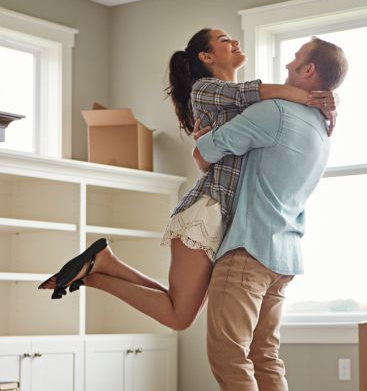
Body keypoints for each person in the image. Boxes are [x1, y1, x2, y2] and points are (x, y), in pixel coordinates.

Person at [38, 29, 336, 333]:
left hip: (220, 218)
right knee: (180, 316)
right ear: (205, 57)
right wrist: (309, 97)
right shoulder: (205, 89)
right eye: (224, 40)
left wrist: (328, 101)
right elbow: (252, 93)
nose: (234, 42)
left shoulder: (250, 108)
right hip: (205, 213)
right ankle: (96, 273)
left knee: (179, 307)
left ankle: (103, 264)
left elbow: (226, 148)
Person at [189, 37, 348, 391]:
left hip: (247, 250)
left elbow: (204, 155)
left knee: (228, 355)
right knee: (265, 359)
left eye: (297, 60)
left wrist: (205, 139)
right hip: (284, 257)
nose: (288, 63)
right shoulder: (321, 127)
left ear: (311, 72)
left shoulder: (274, 114)